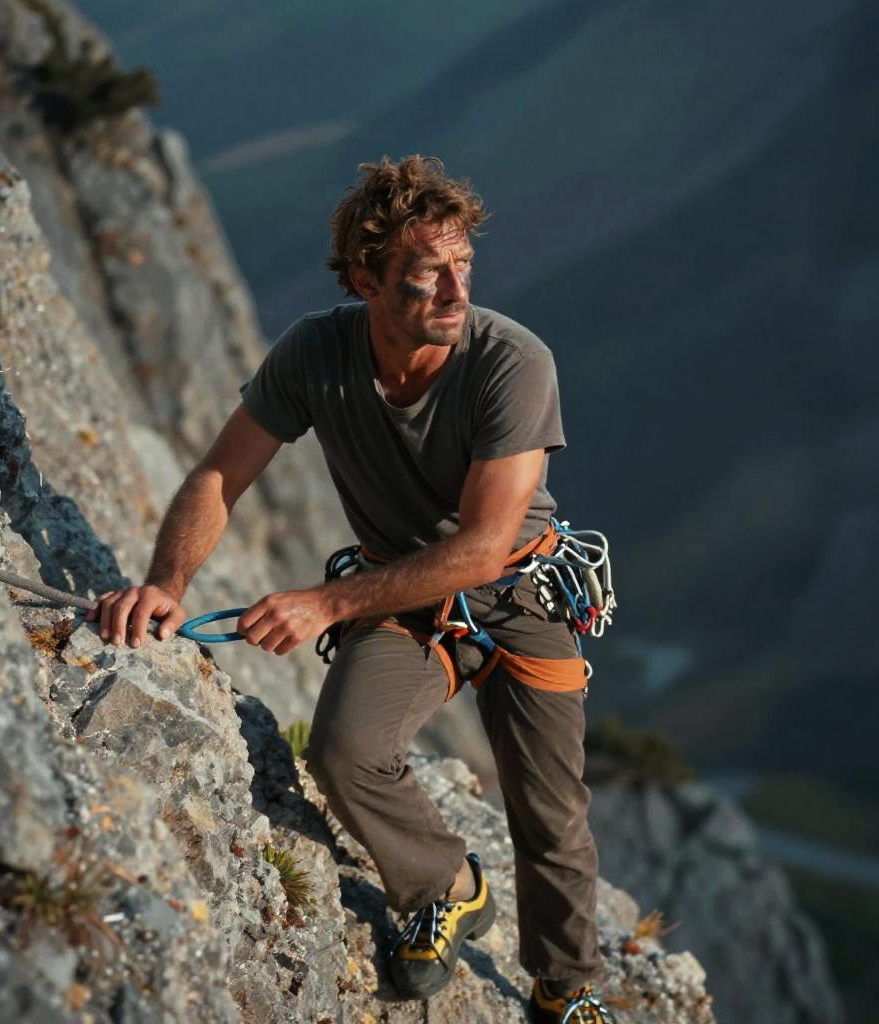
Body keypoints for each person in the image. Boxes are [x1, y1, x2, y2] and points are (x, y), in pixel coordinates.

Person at [89, 155, 612, 1024]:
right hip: (400, 596)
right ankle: (447, 882)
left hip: (520, 593)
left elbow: (484, 546)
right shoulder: (315, 354)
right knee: (342, 750)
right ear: (365, 280)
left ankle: (565, 987)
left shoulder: (511, 362)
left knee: (550, 814)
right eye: (425, 276)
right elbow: (221, 472)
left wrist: (326, 603)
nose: (454, 292)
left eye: (464, 268)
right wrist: (165, 584)